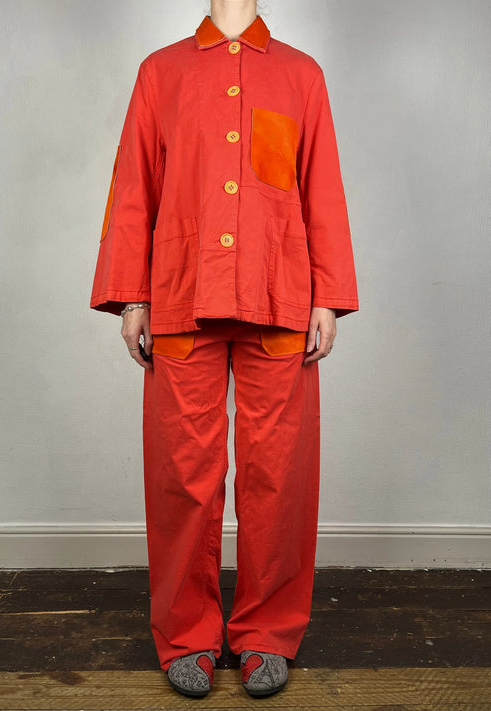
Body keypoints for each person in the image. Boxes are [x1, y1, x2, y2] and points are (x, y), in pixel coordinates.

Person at [90, 0, 359, 699]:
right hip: (182, 289)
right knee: (183, 472)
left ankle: (267, 630)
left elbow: (320, 186)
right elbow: (134, 186)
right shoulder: (162, 72)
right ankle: (187, 632)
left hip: (279, 291)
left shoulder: (300, 74)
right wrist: (133, 295)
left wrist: (327, 295)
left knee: (279, 472)